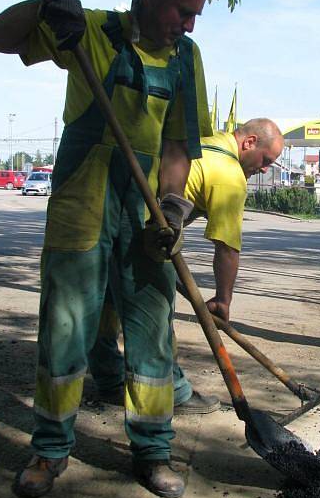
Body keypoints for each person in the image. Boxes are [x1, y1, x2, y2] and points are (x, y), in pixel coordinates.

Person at [0, 0, 213, 498]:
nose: (190, 24)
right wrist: (45, 3)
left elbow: (179, 145)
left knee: (153, 327)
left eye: (197, 15)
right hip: (82, 198)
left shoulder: (186, 57)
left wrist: (175, 206)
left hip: (148, 210)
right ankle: (49, 449)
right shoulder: (88, 31)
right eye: (184, 11)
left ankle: (154, 451)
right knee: (65, 328)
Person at [89, 119, 284, 407]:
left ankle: (109, 378)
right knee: (155, 310)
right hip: (145, 224)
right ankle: (174, 392)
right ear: (250, 142)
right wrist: (223, 299)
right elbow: (227, 247)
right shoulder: (229, 175)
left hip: (109, 209)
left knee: (107, 300)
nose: (265, 168)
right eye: (266, 160)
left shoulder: (207, 140)